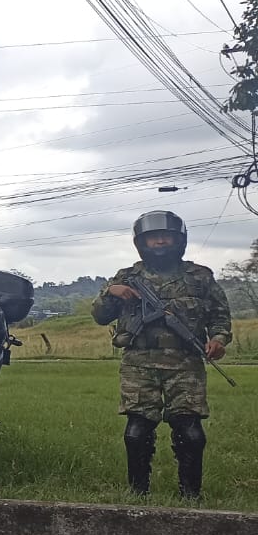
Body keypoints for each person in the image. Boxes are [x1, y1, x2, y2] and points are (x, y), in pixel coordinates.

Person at [91, 210, 231, 500]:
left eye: (166, 236)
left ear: (179, 240)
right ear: (141, 242)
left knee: (190, 432)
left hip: (186, 363)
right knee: (137, 431)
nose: (160, 242)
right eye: (153, 238)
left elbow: (219, 315)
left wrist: (218, 339)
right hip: (138, 363)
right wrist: (110, 292)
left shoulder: (199, 277)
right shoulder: (127, 277)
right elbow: (101, 317)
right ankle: (137, 493)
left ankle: (191, 496)